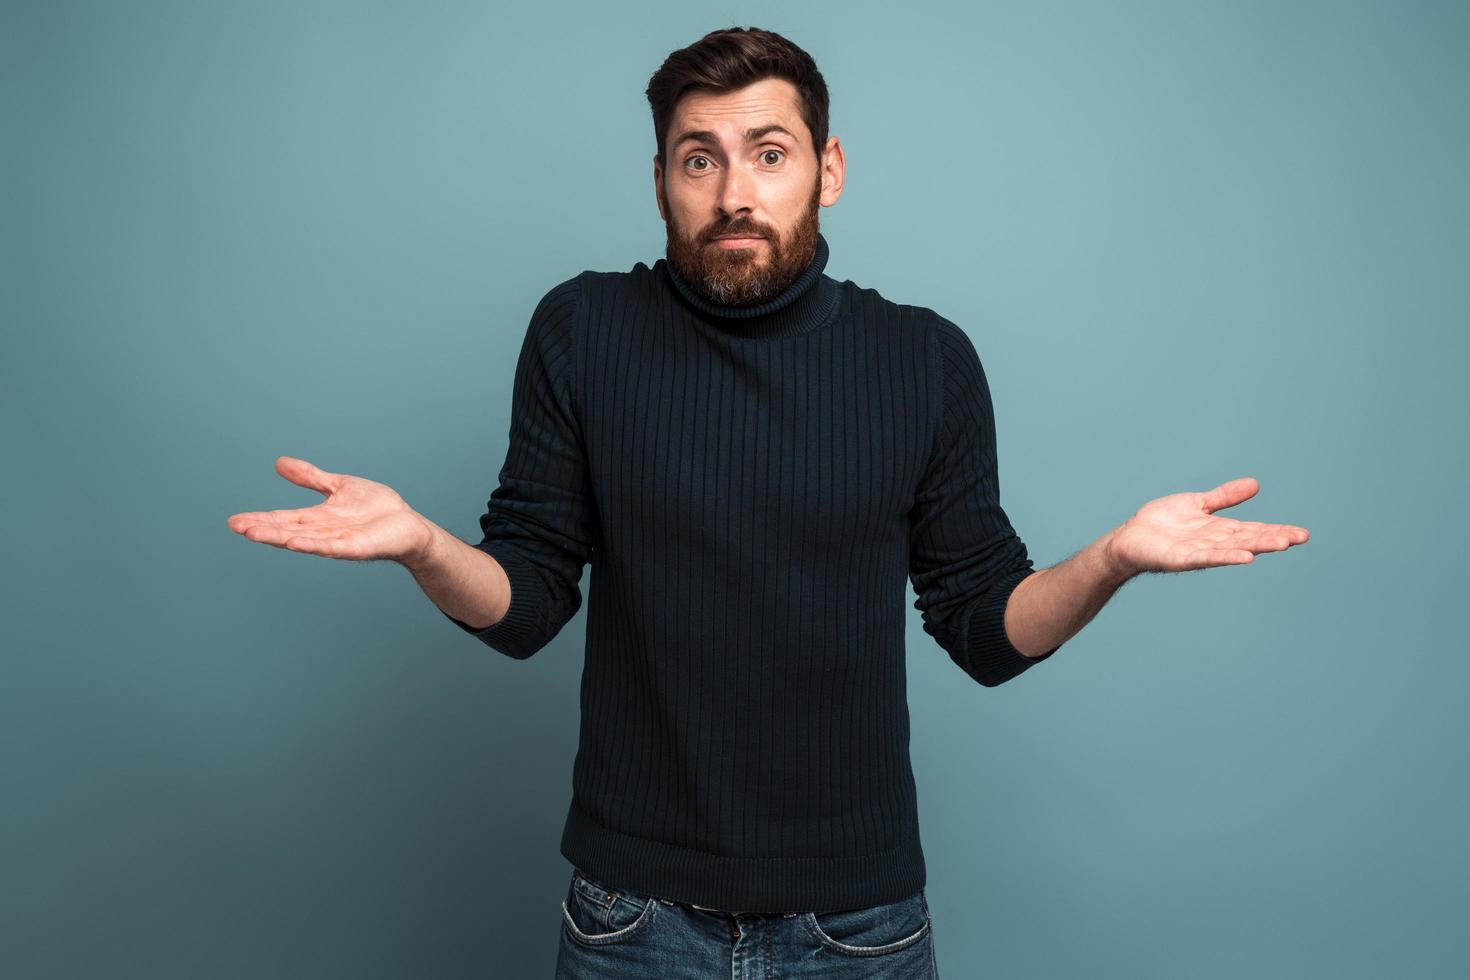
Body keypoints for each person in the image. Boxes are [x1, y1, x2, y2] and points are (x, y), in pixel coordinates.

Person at [226, 26, 1309, 979]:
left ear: (827, 170)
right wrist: (423, 545)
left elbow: (987, 626)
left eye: (770, 154)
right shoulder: (583, 332)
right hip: (631, 917)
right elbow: (528, 602)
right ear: (660, 179)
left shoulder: (924, 361)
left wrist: (1110, 559)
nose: (734, 191)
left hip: (861, 925)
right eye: (700, 159)